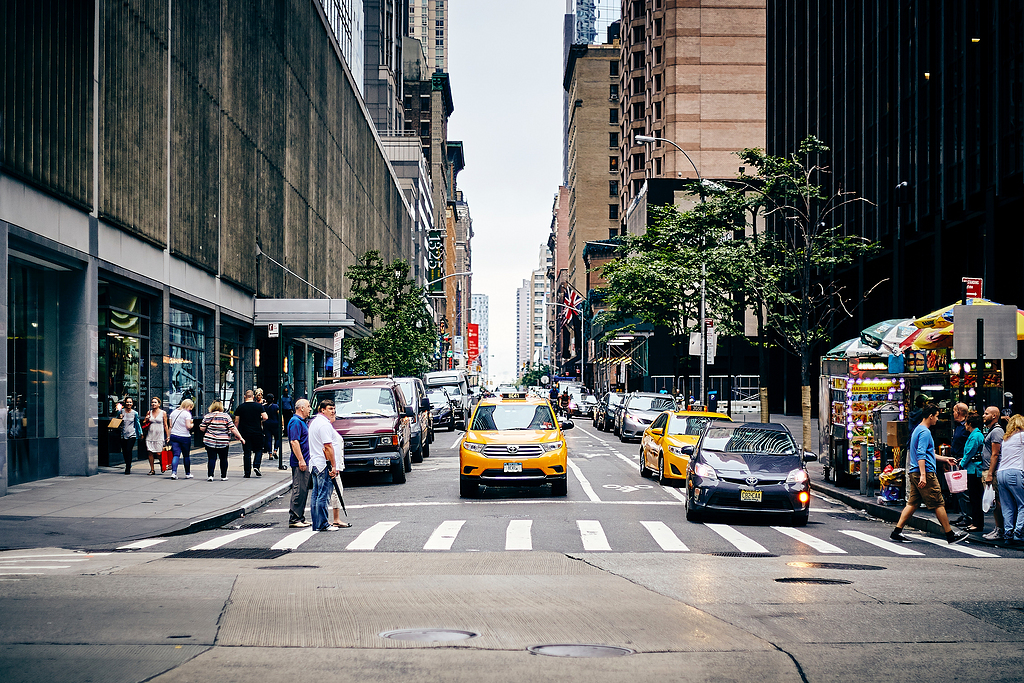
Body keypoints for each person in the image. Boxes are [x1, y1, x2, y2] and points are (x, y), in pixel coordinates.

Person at [890, 404, 969, 545]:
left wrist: (945, 458)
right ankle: (950, 535)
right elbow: (921, 454)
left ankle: (897, 531)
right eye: (937, 416)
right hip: (925, 471)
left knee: (912, 503)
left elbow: (927, 452)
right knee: (939, 503)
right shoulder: (925, 432)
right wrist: (923, 475)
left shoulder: (917, 430)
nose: (937, 420)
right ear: (931, 416)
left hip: (915, 472)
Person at [307, 399, 340, 532]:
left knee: (316, 494)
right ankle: (322, 524)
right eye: (330, 409)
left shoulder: (315, 422)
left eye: (333, 409)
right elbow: (328, 447)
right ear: (322, 410)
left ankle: (317, 523)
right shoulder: (324, 425)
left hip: (315, 463)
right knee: (323, 495)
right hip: (323, 464)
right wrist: (333, 465)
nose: (333, 411)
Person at [995, 414, 1024, 545]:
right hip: (1015, 472)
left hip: (1001, 473)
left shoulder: (1006, 439)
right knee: (1022, 504)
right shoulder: (1022, 436)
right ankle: (1018, 532)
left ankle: (1008, 533)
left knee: (1007, 506)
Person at [200, 400, 244, 481]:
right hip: (223, 441)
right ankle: (223, 476)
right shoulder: (226, 416)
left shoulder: (207, 416)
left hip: (210, 441)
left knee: (211, 458)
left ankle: (210, 475)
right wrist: (240, 438)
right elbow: (232, 428)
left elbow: (202, 428)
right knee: (223, 459)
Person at [982, 406, 1006, 541]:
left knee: (996, 501)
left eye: (986, 414)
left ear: (994, 416)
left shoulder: (997, 432)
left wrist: (990, 473)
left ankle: (1000, 529)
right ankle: (998, 528)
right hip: (988, 469)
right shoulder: (991, 431)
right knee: (993, 501)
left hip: (994, 471)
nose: (983, 416)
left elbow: (995, 454)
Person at [287, 399, 313, 528]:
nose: (310, 409)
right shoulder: (295, 422)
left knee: (303, 490)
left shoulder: (301, 422)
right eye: (308, 406)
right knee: (299, 489)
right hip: (300, 463)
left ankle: (300, 517)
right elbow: (294, 442)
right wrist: (301, 460)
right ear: (301, 408)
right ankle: (295, 518)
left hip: (305, 461)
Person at [959, 415, 986, 533]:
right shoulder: (976, 435)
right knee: (974, 497)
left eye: (966, 423)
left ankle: (977, 523)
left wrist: (962, 463)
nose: (965, 425)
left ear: (969, 424)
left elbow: (970, 452)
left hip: (974, 469)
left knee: (975, 497)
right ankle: (975, 522)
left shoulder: (975, 436)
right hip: (974, 468)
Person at [234, 389, 268, 478]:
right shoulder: (259, 406)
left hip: (244, 433)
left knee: (247, 452)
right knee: (259, 449)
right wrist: (259, 419)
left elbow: (236, 421)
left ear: (245, 396)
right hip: (257, 431)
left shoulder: (240, 407)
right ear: (253, 397)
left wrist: (236, 433)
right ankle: (256, 465)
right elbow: (265, 417)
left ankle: (247, 472)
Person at [949, 402, 970, 526]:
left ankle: (968, 516)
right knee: (958, 490)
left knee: (964, 491)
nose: (953, 414)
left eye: (954, 411)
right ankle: (964, 514)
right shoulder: (958, 426)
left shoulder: (966, 427)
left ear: (959, 412)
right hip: (956, 460)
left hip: (963, 461)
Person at [327, 430, 350, 528]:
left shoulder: (328, 427)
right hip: (330, 466)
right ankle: (335, 519)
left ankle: (334, 518)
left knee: (336, 491)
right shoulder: (324, 427)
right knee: (335, 491)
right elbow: (328, 448)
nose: (334, 414)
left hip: (333, 465)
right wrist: (333, 466)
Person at [167, 399, 195, 480]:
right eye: (190, 407)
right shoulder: (187, 414)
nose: (190, 409)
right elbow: (188, 426)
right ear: (187, 405)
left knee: (176, 455)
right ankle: (187, 473)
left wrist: (168, 436)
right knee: (186, 456)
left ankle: (174, 472)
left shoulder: (173, 412)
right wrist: (192, 424)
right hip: (184, 437)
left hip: (174, 436)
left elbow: (170, 426)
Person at [115, 397, 143, 474]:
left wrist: (140, 433)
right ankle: (128, 463)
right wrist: (119, 418)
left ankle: (127, 467)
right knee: (124, 451)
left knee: (128, 450)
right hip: (123, 434)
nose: (129, 404)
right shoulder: (121, 412)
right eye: (127, 402)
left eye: (130, 402)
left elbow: (137, 423)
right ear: (125, 403)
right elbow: (116, 422)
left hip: (132, 434)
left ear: (132, 403)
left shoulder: (135, 413)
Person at [144, 397, 171, 475]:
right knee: (150, 452)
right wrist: (146, 419)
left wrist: (167, 436)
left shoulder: (163, 413)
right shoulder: (149, 412)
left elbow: (165, 425)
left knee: (159, 453)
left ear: (159, 404)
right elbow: (145, 423)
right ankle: (152, 469)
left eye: (155, 402)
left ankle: (161, 463)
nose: (153, 404)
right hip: (150, 435)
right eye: (152, 402)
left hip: (159, 435)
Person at [264, 393, 281, 462]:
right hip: (275, 423)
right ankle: (275, 451)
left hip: (267, 424)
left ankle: (270, 454)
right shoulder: (276, 406)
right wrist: (282, 425)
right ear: (273, 399)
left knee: (268, 439)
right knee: (277, 438)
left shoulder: (264, 407)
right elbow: (279, 415)